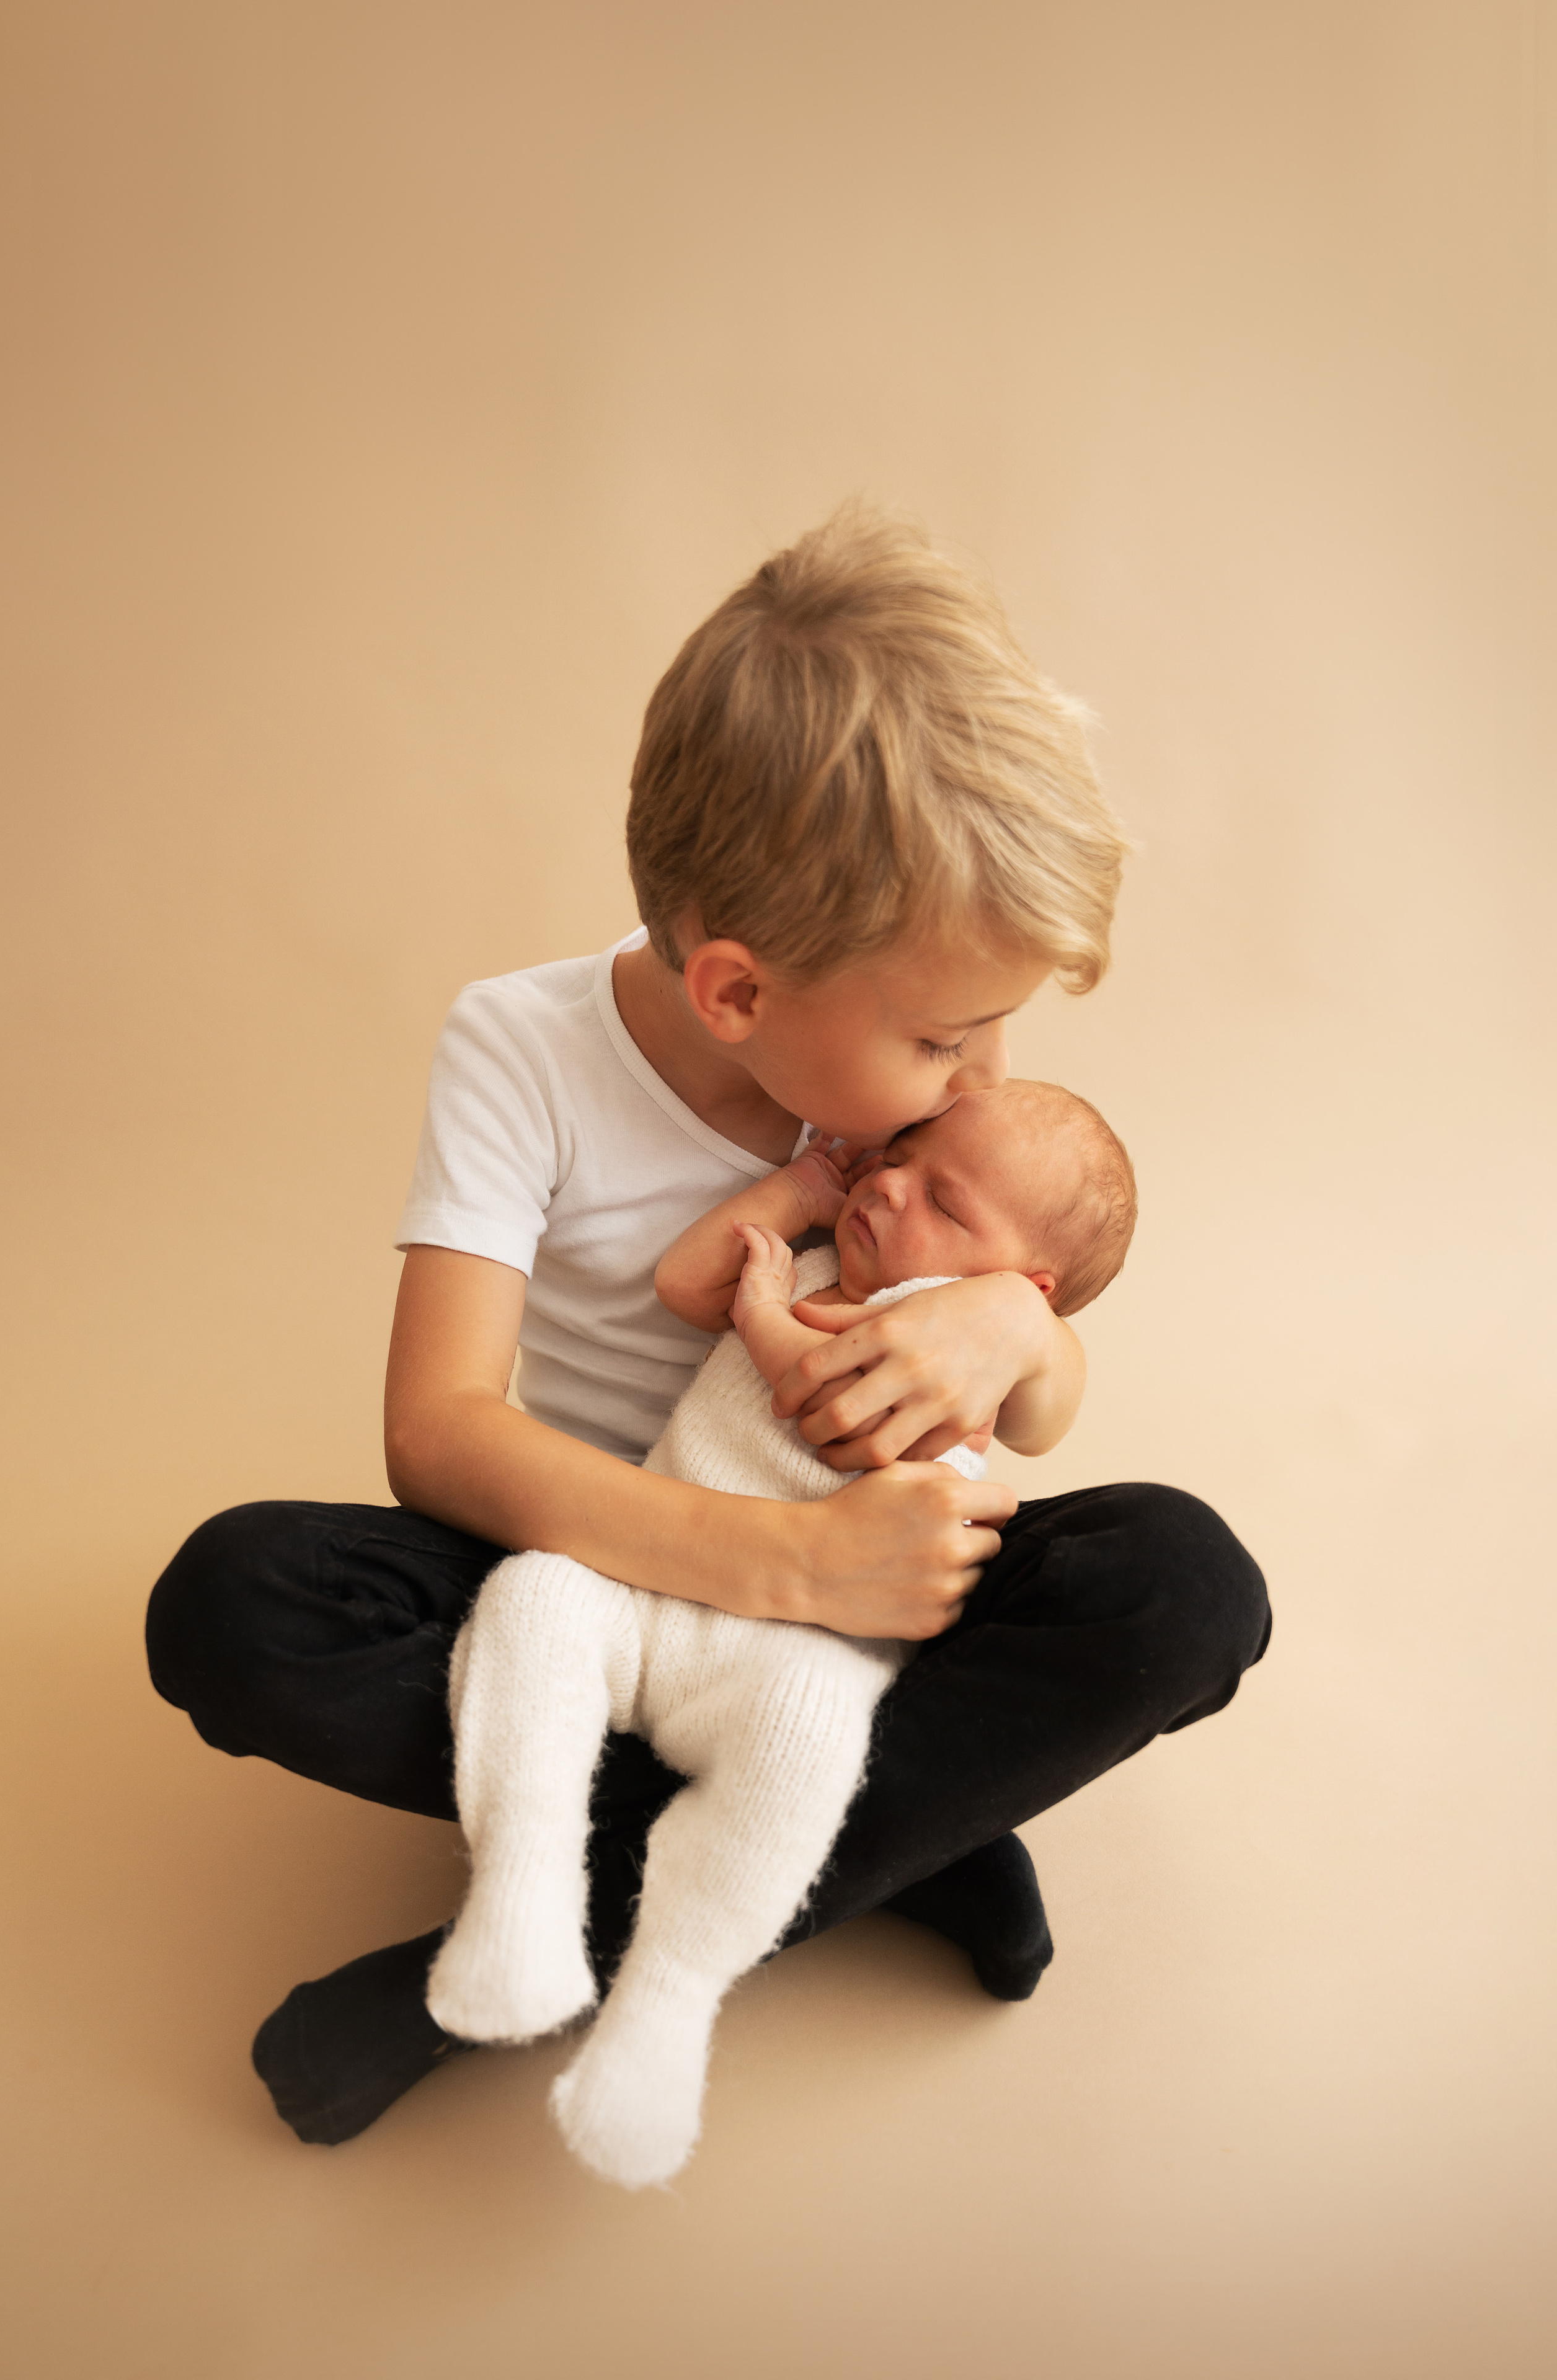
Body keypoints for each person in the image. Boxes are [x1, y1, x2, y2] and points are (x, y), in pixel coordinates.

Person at [144, 505, 1271, 2151]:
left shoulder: (921, 1102)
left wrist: (1018, 1339)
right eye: (953, 1037)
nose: (983, 1081)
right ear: (743, 992)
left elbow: (1043, 1394)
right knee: (234, 1601)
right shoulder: (518, 1049)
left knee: (1186, 1584)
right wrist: (784, 1568)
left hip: (880, 1594)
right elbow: (439, 1432)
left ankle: (554, 1938)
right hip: (607, 1573)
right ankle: (906, 1822)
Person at [430, 1079, 1136, 2188]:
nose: (892, 1183)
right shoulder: (818, 1263)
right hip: (651, 1580)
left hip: (790, 1648)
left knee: (812, 1739)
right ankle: (521, 1892)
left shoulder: (952, 1348)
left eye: (944, 1202)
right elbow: (681, 1278)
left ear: (1020, 1287)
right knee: (534, 1598)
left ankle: (666, 2003)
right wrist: (802, 1191)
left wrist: (784, 1313)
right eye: (901, 1152)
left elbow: (826, 1401)